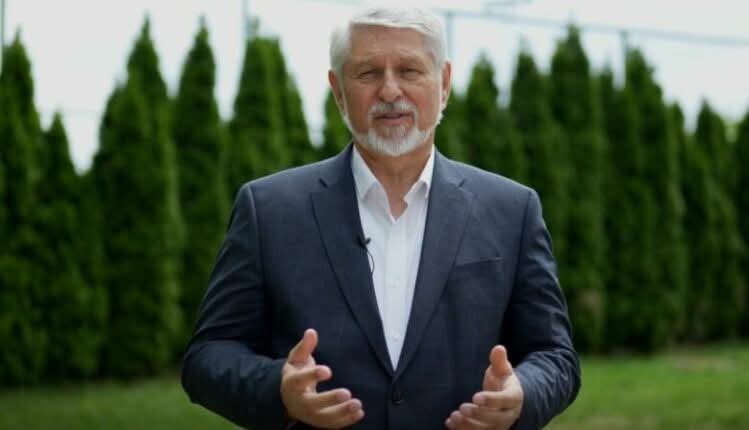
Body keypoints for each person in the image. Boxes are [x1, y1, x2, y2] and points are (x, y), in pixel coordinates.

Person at [182, 6, 580, 430]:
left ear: (444, 83)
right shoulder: (268, 210)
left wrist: (522, 393)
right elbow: (208, 356)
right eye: (368, 73)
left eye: (409, 70)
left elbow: (555, 356)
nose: (390, 91)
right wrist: (278, 388)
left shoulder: (513, 210)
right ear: (338, 91)